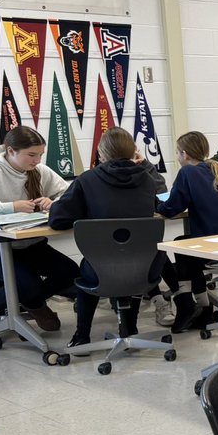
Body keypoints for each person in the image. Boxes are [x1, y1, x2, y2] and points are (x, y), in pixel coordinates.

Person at [0, 126, 78, 346]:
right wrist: (10, 207)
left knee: (69, 272)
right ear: (10, 151)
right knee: (26, 285)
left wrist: (54, 202)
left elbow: (68, 193)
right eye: (31, 155)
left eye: (40, 154)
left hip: (29, 245)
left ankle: (33, 302)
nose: (37, 160)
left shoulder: (39, 170)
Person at [48, 127, 171, 349]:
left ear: (101, 153)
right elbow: (161, 202)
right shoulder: (147, 179)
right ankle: (130, 329)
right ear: (133, 152)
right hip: (147, 268)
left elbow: (57, 219)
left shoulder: (87, 180)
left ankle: (82, 336)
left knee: (94, 265)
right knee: (132, 260)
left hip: (101, 269)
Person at [157, 131, 218, 330]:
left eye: (177, 153)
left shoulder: (187, 173)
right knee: (185, 243)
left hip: (217, 243)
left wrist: (155, 202)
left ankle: (190, 305)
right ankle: (202, 308)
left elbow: (171, 208)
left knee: (183, 248)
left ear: (185, 154)